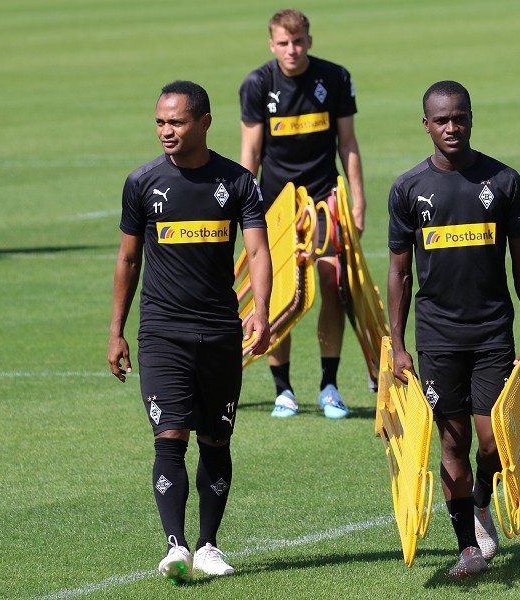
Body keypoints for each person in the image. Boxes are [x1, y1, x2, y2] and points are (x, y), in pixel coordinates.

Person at [108, 81, 272, 583]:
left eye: (176, 122)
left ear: (203, 121)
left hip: (220, 331)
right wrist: (116, 331)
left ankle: (209, 546)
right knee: (170, 436)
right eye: (160, 122)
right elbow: (128, 259)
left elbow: (259, 251)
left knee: (216, 440)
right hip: (162, 332)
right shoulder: (142, 183)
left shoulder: (238, 182)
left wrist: (260, 309)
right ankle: (175, 545)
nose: (167, 131)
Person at [386, 81, 520, 576]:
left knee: (493, 441)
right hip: (436, 337)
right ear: (426, 125)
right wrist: (397, 345)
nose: (452, 127)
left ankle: (479, 501)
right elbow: (398, 272)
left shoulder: (504, 181)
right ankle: (467, 548)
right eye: (442, 120)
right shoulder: (409, 190)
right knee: (451, 441)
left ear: (471, 119)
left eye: (460, 118)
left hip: (492, 332)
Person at [239, 8, 367, 419]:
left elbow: (347, 143)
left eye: (298, 42)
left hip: (324, 199)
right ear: (271, 44)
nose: (291, 50)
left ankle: (330, 385)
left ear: (309, 41)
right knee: (278, 294)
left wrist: (358, 200)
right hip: (276, 206)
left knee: (331, 283)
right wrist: (245, 210)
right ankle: (284, 390)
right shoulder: (258, 84)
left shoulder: (335, 77)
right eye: (283, 43)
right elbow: (251, 153)